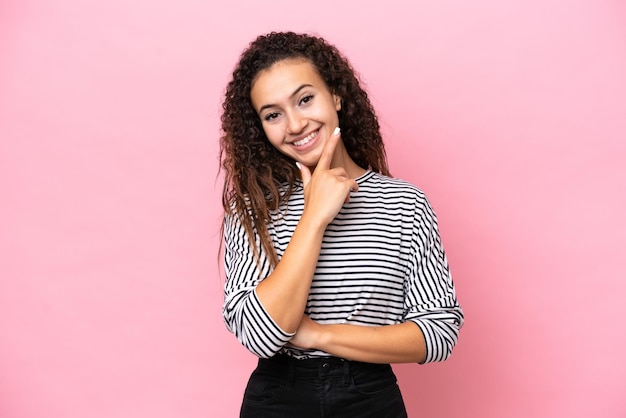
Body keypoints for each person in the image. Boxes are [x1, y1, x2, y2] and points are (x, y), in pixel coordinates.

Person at [219, 31, 464, 417]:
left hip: (369, 396)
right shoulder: (252, 209)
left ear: (335, 95)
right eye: (273, 114)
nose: (296, 124)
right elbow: (259, 334)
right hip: (278, 398)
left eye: (305, 99)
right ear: (260, 128)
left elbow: (437, 333)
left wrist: (319, 334)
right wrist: (314, 216)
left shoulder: (405, 203)